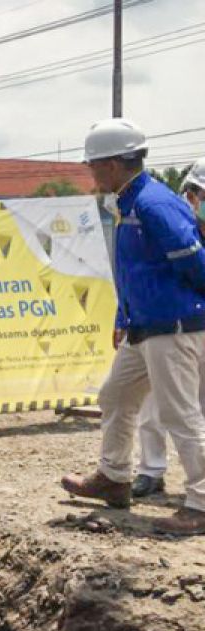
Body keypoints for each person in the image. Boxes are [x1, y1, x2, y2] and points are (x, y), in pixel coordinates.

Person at [61, 121, 205, 536]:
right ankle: (115, 477)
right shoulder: (131, 201)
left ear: (111, 163)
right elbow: (135, 271)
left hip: (172, 327)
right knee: (116, 396)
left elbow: (194, 262)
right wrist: (125, 317)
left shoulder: (154, 204)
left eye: (93, 165)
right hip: (145, 327)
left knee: (180, 413)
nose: (90, 172)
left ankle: (200, 501)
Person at [131, 156, 205, 498]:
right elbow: (137, 272)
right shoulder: (173, 225)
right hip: (170, 326)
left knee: (193, 409)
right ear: (189, 193)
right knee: (154, 405)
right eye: (198, 193)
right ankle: (151, 470)